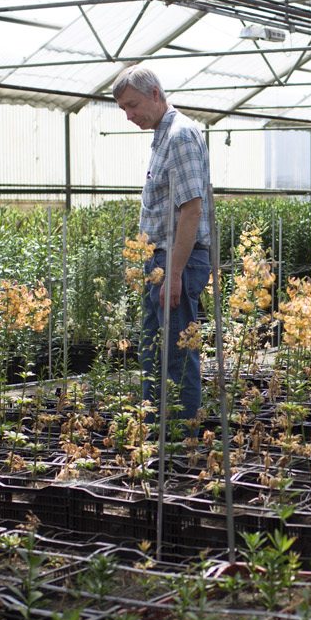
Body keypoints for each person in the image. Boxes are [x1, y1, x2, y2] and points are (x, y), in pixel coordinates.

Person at [114, 65, 214, 422]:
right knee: (155, 350)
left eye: (133, 105)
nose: (129, 116)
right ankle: (156, 434)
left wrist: (173, 273)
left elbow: (191, 209)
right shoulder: (163, 135)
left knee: (176, 354)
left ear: (155, 94)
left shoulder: (181, 136)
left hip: (176, 260)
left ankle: (181, 439)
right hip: (162, 260)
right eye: (124, 109)